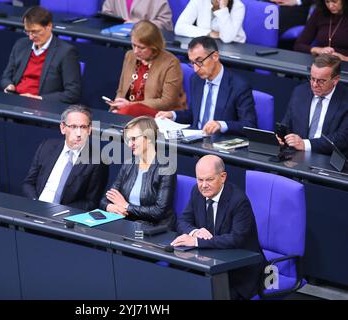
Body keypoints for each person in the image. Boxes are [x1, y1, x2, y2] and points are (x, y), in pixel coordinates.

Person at [171, 155, 266, 300]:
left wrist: (196, 241)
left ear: (222, 177)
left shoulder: (238, 201)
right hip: (208, 263)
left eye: (209, 179)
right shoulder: (197, 192)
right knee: (178, 283)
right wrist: (195, 232)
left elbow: (236, 239)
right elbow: (183, 220)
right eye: (200, 180)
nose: (203, 185)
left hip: (239, 272)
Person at [156, 36, 256, 136]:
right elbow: (194, 114)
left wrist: (221, 125)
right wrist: (173, 115)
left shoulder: (239, 86)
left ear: (215, 56)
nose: (195, 69)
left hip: (219, 143)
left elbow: (249, 125)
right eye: (192, 63)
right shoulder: (195, 79)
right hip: (195, 141)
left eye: (199, 62)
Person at [22, 105, 108, 210]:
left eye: (83, 127)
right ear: (63, 128)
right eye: (73, 127)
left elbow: (91, 202)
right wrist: (36, 203)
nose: (79, 133)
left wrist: (58, 210)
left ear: (89, 130)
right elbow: (29, 183)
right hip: (35, 207)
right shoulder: (47, 146)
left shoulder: (98, 161)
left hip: (63, 216)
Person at [100, 116, 176, 228]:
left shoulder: (166, 167)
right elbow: (106, 199)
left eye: (134, 139)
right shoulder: (128, 164)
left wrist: (126, 206)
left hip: (153, 228)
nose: (130, 144)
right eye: (128, 140)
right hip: (126, 222)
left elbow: (158, 211)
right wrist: (110, 207)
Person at [106, 20, 186, 117]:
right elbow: (121, 90)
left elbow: (167, 102)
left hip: (158, 114)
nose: (135, 51)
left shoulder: (171, 63)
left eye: (141, 48)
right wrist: (116, 105)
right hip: (127, 111)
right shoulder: (129, 56)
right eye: (133, 45)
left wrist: (129, 105)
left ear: (154, 46)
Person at [1, 6, 81, 103]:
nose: (30, 37)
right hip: (16, 100)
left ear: (49, 26)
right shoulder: (21, 44)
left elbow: (72, 93)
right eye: (27, 31)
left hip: (42, 106)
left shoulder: (66, 52)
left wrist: (39, 99)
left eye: (35, 31)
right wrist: (9, 85)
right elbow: (6, 77)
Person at [280, 54, 348, 155]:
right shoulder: (300, 92)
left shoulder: (345, 100)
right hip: (296, 155)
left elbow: (342, 139)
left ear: (335, 80)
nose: (314, 85)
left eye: (321, 81)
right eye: (312, 78)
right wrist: (281, 137)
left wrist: (305, 144)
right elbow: (286, 124)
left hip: (328, 159)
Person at [174, 0, 246, 44]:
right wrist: (208, 33)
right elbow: (179, 27)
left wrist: (223, 9)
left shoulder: (238, 6)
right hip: (206, 45)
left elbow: (227, 38)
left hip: (232, 49)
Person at [101, 0, 173, 31]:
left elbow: (165, 23)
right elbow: (106, 13)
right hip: (116, 42)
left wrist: (138, 25)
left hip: (146, 44)